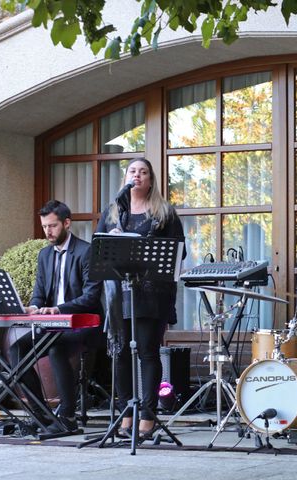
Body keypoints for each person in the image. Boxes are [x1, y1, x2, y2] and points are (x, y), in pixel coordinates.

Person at [96, 158, 186, 439]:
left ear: (150, 180)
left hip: (152, 295)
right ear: (126, 177)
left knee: (147, 351)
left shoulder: (164, 212)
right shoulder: (112, 213)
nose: (137, 175)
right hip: (119, 296)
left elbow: (178, 253)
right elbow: (99, 250)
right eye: (132, 171)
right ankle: (126, 413)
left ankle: (147, 415)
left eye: (143, 172)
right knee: (121, 353)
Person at [8, 200, 103, 433]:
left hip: (84, 324)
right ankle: (44, 416)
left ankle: (68, 417)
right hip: (54, 326)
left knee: (55, 349)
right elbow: (39, 295)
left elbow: (91, 297)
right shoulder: (44, 255)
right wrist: (33, 307)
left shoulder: (86, 251)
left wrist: (59, 309)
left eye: (52, 226)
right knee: (16, 351)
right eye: (44, 227)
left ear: (67, 223)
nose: (48, 232)